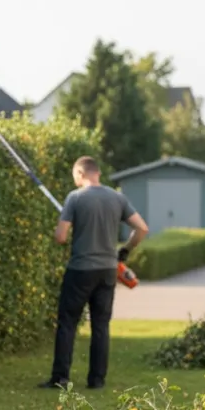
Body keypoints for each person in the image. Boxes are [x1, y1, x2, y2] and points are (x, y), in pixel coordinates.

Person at [39, 156, 148, 390]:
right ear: (97, 173)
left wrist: (70, 229)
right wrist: (125, 251)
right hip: (108, 271)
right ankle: (97, 380)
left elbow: (60, 237)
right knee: (101, 325)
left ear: (80, 173)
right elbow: (142, 228)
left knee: (67, 323)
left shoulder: (75, 198)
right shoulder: (117, 198)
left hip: (80, 269)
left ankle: (60, 378)